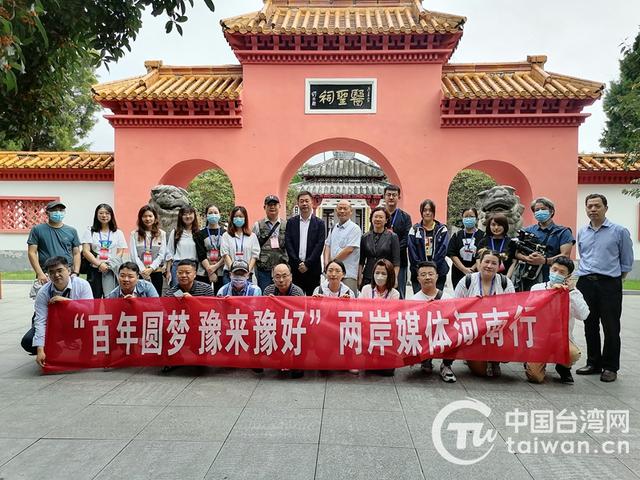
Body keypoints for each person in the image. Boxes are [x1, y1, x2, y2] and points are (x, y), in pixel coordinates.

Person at [575, 193, 634, 383]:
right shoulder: (582, 231)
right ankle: (593, 362)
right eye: (589, 206)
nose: (593, 209)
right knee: (589, 324)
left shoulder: (619, 231)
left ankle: (610, 367)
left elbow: (626, 261)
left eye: (597, 206)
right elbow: (583, 255)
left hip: (609, 283)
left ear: (605, 208)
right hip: (586, 282)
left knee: (610, 326)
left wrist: (615, 279)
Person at [525, 256, 589, 384]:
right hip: (539, 339)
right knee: (535, 377)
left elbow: (584, 315)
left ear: (568, 276)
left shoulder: (573, 293)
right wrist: (549, 293)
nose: (556, 274)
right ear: (549, 269)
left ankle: (563, 367)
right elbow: (528, 309)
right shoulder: (537, 288)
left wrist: (571, 291)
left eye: (561, 272)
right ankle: (531, 360)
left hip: (561, 339)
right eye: (554, 270)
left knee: (573, 354)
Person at [454, 249, 516, 377]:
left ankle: (495, 361)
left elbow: (512, 309)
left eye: (494, 263)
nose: (489, 266)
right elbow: (455, 306)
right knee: (480, 372)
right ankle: (473, 356)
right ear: (479, 263)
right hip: (473, 331)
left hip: (497, 329)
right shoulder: (467, 281)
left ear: (499, 266)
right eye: (486, 262)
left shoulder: (505, 283)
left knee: (509, 349)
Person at [21, 257, 93, 365]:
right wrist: (40, 350)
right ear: (48, 275)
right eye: (52, 272)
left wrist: (67, 302)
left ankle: (85, 350)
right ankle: (53, 349)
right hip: (54, 325)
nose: (56, 275)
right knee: (28, 341)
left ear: (68, 271)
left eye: (60, 271)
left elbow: (90, 310)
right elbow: (41, 321)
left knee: (92, 325)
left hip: (77, 323)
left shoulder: (82, 285)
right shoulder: (43, 292)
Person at [513, 197, 575, 291]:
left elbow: (565, 255)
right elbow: (517, 253)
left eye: (543, 209)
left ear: (551, 211)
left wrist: (544, 260)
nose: (540, 211)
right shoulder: (527, 231)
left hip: (551, 277)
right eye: (537, 210)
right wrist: (527, 258)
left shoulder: (563, 232)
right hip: (528, 276)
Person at [412, 261, 456, 383]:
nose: (427, 277)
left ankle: (446, 365)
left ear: (437, 276)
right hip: (424, 336)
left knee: (456, 332)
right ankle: (425, 359)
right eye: (423, 274)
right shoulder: (413, 301)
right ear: (418, 278)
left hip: (443, 335)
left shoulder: (447, 299)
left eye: (431, 274)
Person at [262, 263, 305, 378]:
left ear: (291, 277)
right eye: (277, 276)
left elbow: (300, 317)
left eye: (284, 276)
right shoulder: (268, 290)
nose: (281, 280)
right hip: (274, 325)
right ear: (273, 278)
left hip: (292, 327)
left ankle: (296, 362)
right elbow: (264, 314)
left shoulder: (298, 292)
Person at [27, 200, 81, 286]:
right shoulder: (37, 229)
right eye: (54, 210)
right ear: (47, 213)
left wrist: (76, 272)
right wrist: (40, 273)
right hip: (47, 273)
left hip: (66, 273)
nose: (58, 213)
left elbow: (76, 253)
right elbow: (32, 252)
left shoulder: (72, 231)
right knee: (46, 298)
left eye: (61, 210)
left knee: (67, 298)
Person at [81, 203, 127, 298]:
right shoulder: (89, 231)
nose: (104, 216)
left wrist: (110, 264)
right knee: (94, 297)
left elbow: (120, 251)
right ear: (96, 215)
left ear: (111, 215)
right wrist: (99, 264)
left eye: (107, 213)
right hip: (94, 268)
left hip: (111, 269)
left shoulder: (118, 233)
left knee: (110, 298)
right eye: (101, 213)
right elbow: (86, 251)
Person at [285, 190, 326, 295]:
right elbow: (288, 243)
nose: (304, 204)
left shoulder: (320, 223)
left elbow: (319, 245)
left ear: (312, 202)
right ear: (298, 203)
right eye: (301, 201)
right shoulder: (291, 222)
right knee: (295, 300)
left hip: (313, 269)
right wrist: (298, 263)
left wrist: (307, 264)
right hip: (295, 268)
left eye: (307, 201)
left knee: (312, 300)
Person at [408, 199, 449, 292]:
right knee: (420, 302)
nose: (427, 213)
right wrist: (421, 268)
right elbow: (412, 251)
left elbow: (443, 250)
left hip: (438, 271)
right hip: (418, 272)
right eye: (425, 210)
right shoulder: (414, 230)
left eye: (430, 210)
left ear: (434, 212)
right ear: (421, 212)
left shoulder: (442, 229)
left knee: (436, 302)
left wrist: (433, 268)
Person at [324, 199, 362, 295]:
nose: (342, 211)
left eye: (345, 208)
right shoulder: (333, 228)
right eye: (340, 208)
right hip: (332, 273)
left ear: (351, 211)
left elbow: (349, 249)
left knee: (348, 302)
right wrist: (326, 264)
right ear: (336, 211)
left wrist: (332, 263)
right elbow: (327, 245)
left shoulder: (355, 228)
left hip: (348, 274)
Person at [358, 207, 400, 289]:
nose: (378, 219)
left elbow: (396, 261)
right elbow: (361, 261)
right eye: (375, 216)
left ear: (386, 220)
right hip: (368, 276)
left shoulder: (393, 237)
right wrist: (359, 277)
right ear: (371, 219)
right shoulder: (364, 237)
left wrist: (394, 278)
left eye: (381, 217)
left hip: (386, 275)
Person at [129, 205, 167, 296]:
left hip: (156, 272)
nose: (148, 218)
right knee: (141, 299)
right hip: (140, 273)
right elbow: (134, 255)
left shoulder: (162, 234)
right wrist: (143, 270)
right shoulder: (134, 234)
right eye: (145, 216)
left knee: (155, 299)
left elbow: (162, 254)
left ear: (155, 218)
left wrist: (151, 268)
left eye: (150, 216)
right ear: (140, 218)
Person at [253, 195, 288, 292]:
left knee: (282, 296)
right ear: (264, 207)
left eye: (275, 204)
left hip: (282, 269)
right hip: (264, 269)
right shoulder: (258, 225)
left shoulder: (286, 225)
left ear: (279, 206)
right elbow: (254, 247)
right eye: (269, 205)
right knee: (265, 295)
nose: (272, 207)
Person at [383, 184, 412, 298]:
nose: (391, 197)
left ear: (398, 197)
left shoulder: (405, 217)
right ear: (384, 197)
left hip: (400, 261)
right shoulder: (379, 216)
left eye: (394, 195)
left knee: (399, 293)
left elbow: (407, 238)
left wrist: (394, 250)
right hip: (382, 260)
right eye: (388, 195)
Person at [220, 206, 260, 284]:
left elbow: (254, 256)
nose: (238, 218)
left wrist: (247, 271)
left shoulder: (252, 236)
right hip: (229, 274)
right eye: (236, 216)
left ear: (245, 218)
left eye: (241, 216)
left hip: (247, 274)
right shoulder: (226, 235)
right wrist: (233, 271)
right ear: (232, 218)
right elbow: (225, 254)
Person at [447, 207, 484, 289]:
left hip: (476, 272)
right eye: (466, 216)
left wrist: (472, 269)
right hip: (458, 272)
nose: (468, 219)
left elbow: (483, 255)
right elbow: (452, 254)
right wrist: (463, 269)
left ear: (476, 218)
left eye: (471, 216)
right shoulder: (457, 235)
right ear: (462, 218)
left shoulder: (482, 236)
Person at [165, 205, 200, 288]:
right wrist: (168, 271)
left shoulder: (198, 233)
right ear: (181, 216)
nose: (187, 216)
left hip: (193, 266)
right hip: (178, 266)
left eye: (190, 214)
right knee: (177, 292)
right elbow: (170, 251)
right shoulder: (175, 232)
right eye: (184, 214)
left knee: (193, 292)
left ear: (194, 215)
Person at [195, 204, 226, 292]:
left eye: (215, 213)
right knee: (203, 297)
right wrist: (209, 270)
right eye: (210, 213)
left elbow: (226, 253)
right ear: (206, 215)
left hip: (221, 270)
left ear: (220, 214)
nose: (213, 215)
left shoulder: (225, 233)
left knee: (220, 298)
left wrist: (215, 267)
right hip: (204, 270)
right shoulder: (200, 234)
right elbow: (201, 254)